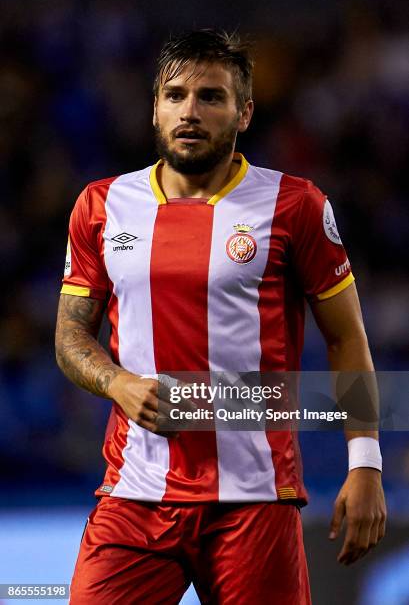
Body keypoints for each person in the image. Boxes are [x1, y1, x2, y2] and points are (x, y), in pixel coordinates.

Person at [55, 29, 386, 604]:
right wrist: (117, 383)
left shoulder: (296, 205)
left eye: (210, 97)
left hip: (254, 500)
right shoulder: (102, 205)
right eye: (175, 95)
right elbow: (70, 334)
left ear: (244, 112)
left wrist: (366, 463)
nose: (190, 111)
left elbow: (346, 339)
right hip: (135, 495)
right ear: (154, 108)